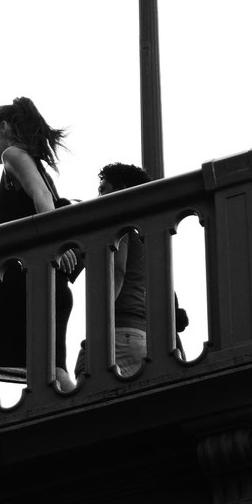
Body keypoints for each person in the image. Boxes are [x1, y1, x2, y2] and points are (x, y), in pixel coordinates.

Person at [0, 97, 78, 414]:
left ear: (5, 129)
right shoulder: (33, 164)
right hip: (47, 284)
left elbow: (41, 198)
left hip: (20, 281)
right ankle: (85, 413)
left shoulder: (13, 154)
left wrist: (54, 244)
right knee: (52, 368)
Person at [80, 162, 152, 379]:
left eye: (103, 190)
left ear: (120, 189)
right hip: (140, 334)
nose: (98, 197)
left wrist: (98, 325)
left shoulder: (120, 224)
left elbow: (117, 271)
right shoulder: (145, 231)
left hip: (119, 332)